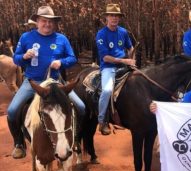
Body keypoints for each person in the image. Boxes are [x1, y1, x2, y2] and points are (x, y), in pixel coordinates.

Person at [8, 5, 85, 159]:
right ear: (37, 21)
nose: (47, 24)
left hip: (55, 83)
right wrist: (23, 57)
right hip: (33, 83)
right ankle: (19, 144)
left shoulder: (61, 39)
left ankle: (75, 139)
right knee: (12, 111)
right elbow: (16, 59)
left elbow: (72, 58)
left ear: (54, 23)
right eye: (44, 21)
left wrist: (61, 63)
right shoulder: (26, 38)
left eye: (50, 22)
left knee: (81, 107)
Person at [96, 3, 135, 134]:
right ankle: (102, 120)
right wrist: (124, 60)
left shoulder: (123, 32)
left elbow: (130, 47)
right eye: (111, 15)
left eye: (117, 16)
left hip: (125, 65)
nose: (114, 18)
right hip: (108, 67)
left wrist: (132, 56)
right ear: (106, 17)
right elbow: (105, 57)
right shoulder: (101, 34)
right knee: (107, 90)